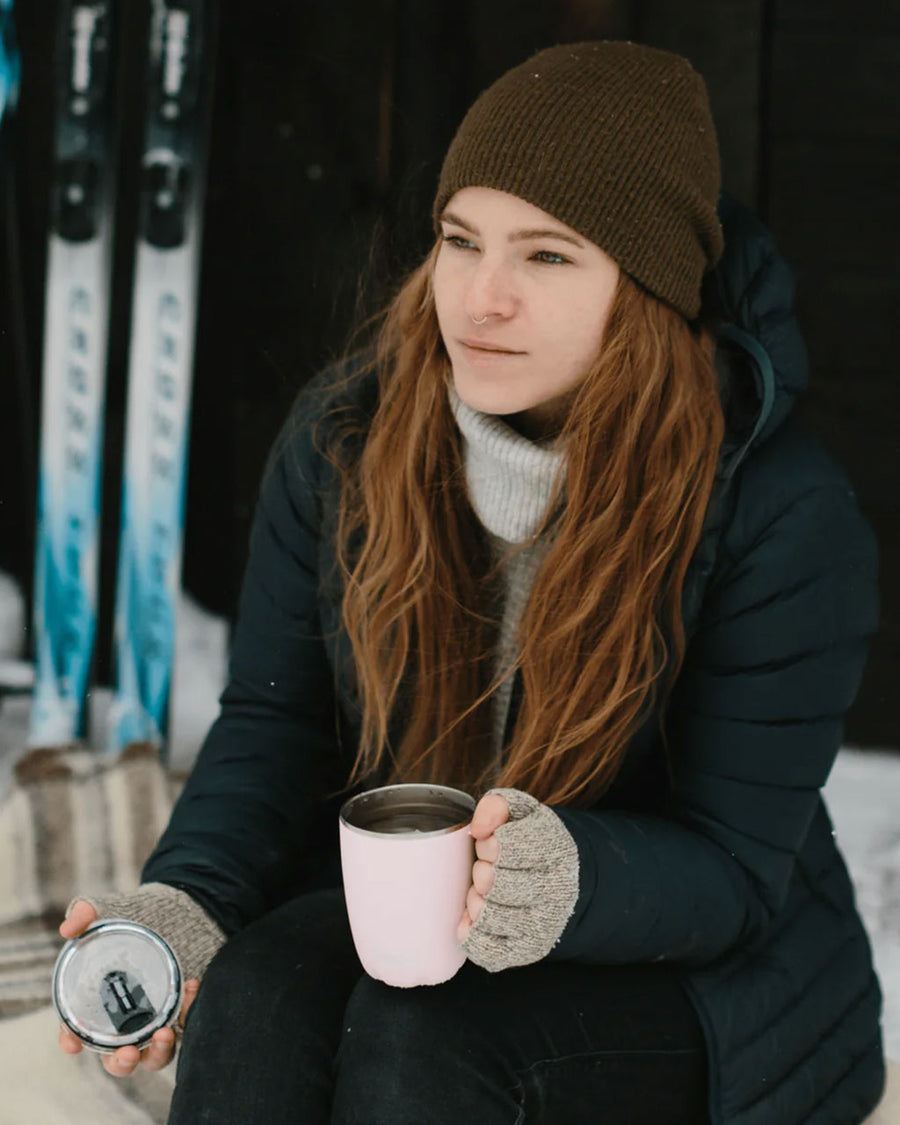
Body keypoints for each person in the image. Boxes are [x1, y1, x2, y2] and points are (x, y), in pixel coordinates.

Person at [57, 40, 885, 1125]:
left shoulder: (780, 514)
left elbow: (733, 874)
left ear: (641, 292)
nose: (481, 299)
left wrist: (563, 875)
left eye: (547, 257)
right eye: (460, 241)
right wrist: (183, 906)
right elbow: (274, 728)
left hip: (701, 979)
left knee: (421, 1042)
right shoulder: (350, 440)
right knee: (252, 998)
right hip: (424, 911)